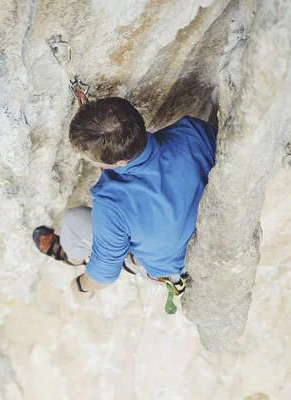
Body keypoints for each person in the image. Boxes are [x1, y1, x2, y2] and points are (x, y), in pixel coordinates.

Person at [33, 97, 216, 299]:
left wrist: (79, 286)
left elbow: (103, 276)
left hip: (175, 271)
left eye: (91, 160)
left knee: (73, 221)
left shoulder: (111, 205)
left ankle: (73, 258)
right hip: (203, 242)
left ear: (121, 162)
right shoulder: (192, 131)